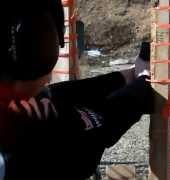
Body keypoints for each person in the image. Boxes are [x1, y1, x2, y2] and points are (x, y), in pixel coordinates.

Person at [0, 0, 154, 179]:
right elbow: (95, 126)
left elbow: (58, 96)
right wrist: (143, 84)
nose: (48, 78)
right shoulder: (28, 149)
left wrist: (125, 77)